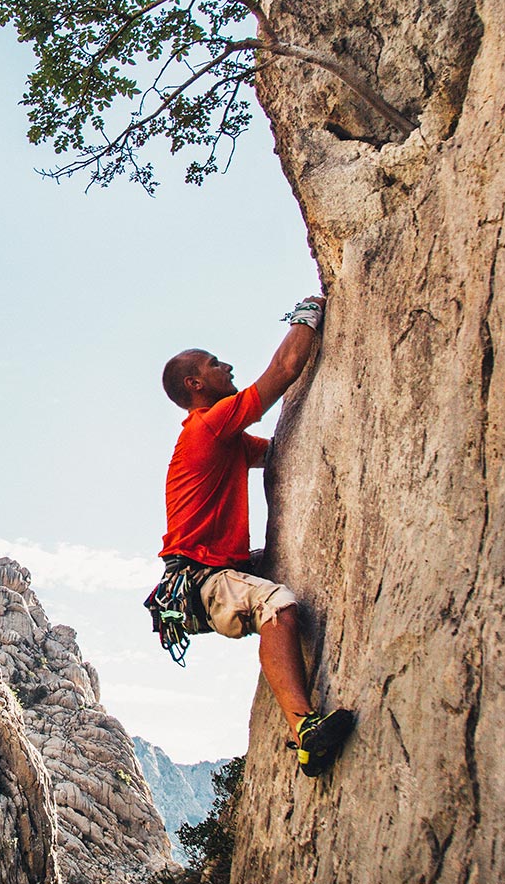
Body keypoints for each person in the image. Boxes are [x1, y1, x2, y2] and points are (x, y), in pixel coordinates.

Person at [159, 296, 354, 777]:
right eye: (214, 363)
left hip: (212, 574)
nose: (227, 365)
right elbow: (285, 368)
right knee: (279, 606)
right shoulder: (208, 425)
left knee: (275, 586)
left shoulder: (222, 437)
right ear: (195, 383)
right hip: (202, 577)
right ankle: (305, 730)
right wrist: (308, 315)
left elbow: (280, 450)